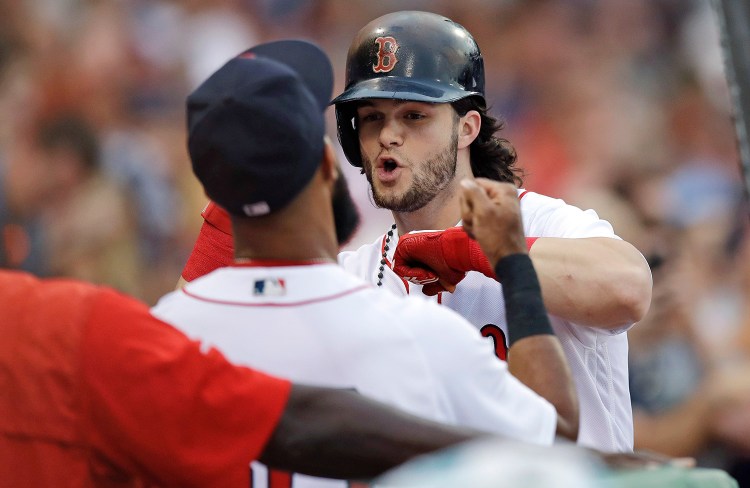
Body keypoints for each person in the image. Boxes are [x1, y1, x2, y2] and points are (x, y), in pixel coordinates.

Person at [178, 12, 651, 453]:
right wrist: (239, 178)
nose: (389, 135)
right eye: (372, 118)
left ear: (467, 128)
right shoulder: (355, 273)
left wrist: (467, 249)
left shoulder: (543, 222)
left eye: (414, 115)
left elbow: (628, 289)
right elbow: (200, 339)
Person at [0, 247, 486, 487]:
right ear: (323, 171)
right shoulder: (71, 325)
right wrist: (516, 264)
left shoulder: (167, 317)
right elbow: (290, 423)